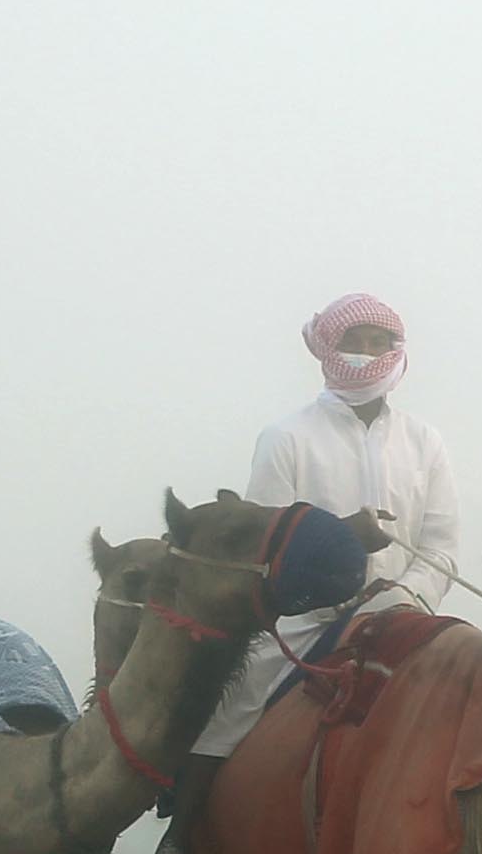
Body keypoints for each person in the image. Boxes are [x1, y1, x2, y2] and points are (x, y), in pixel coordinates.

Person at [191, 291, 466, 754]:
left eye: (379, 342)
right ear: (327, 350)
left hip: (404, 618)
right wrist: (341, 540)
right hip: (304, 627)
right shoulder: (286, 438)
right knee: (231, 713)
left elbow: (441, 548)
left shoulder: (425, 442)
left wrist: (399, 598)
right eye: (354, 341)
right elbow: (262, 555)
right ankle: (191, 811)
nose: (367, 353)